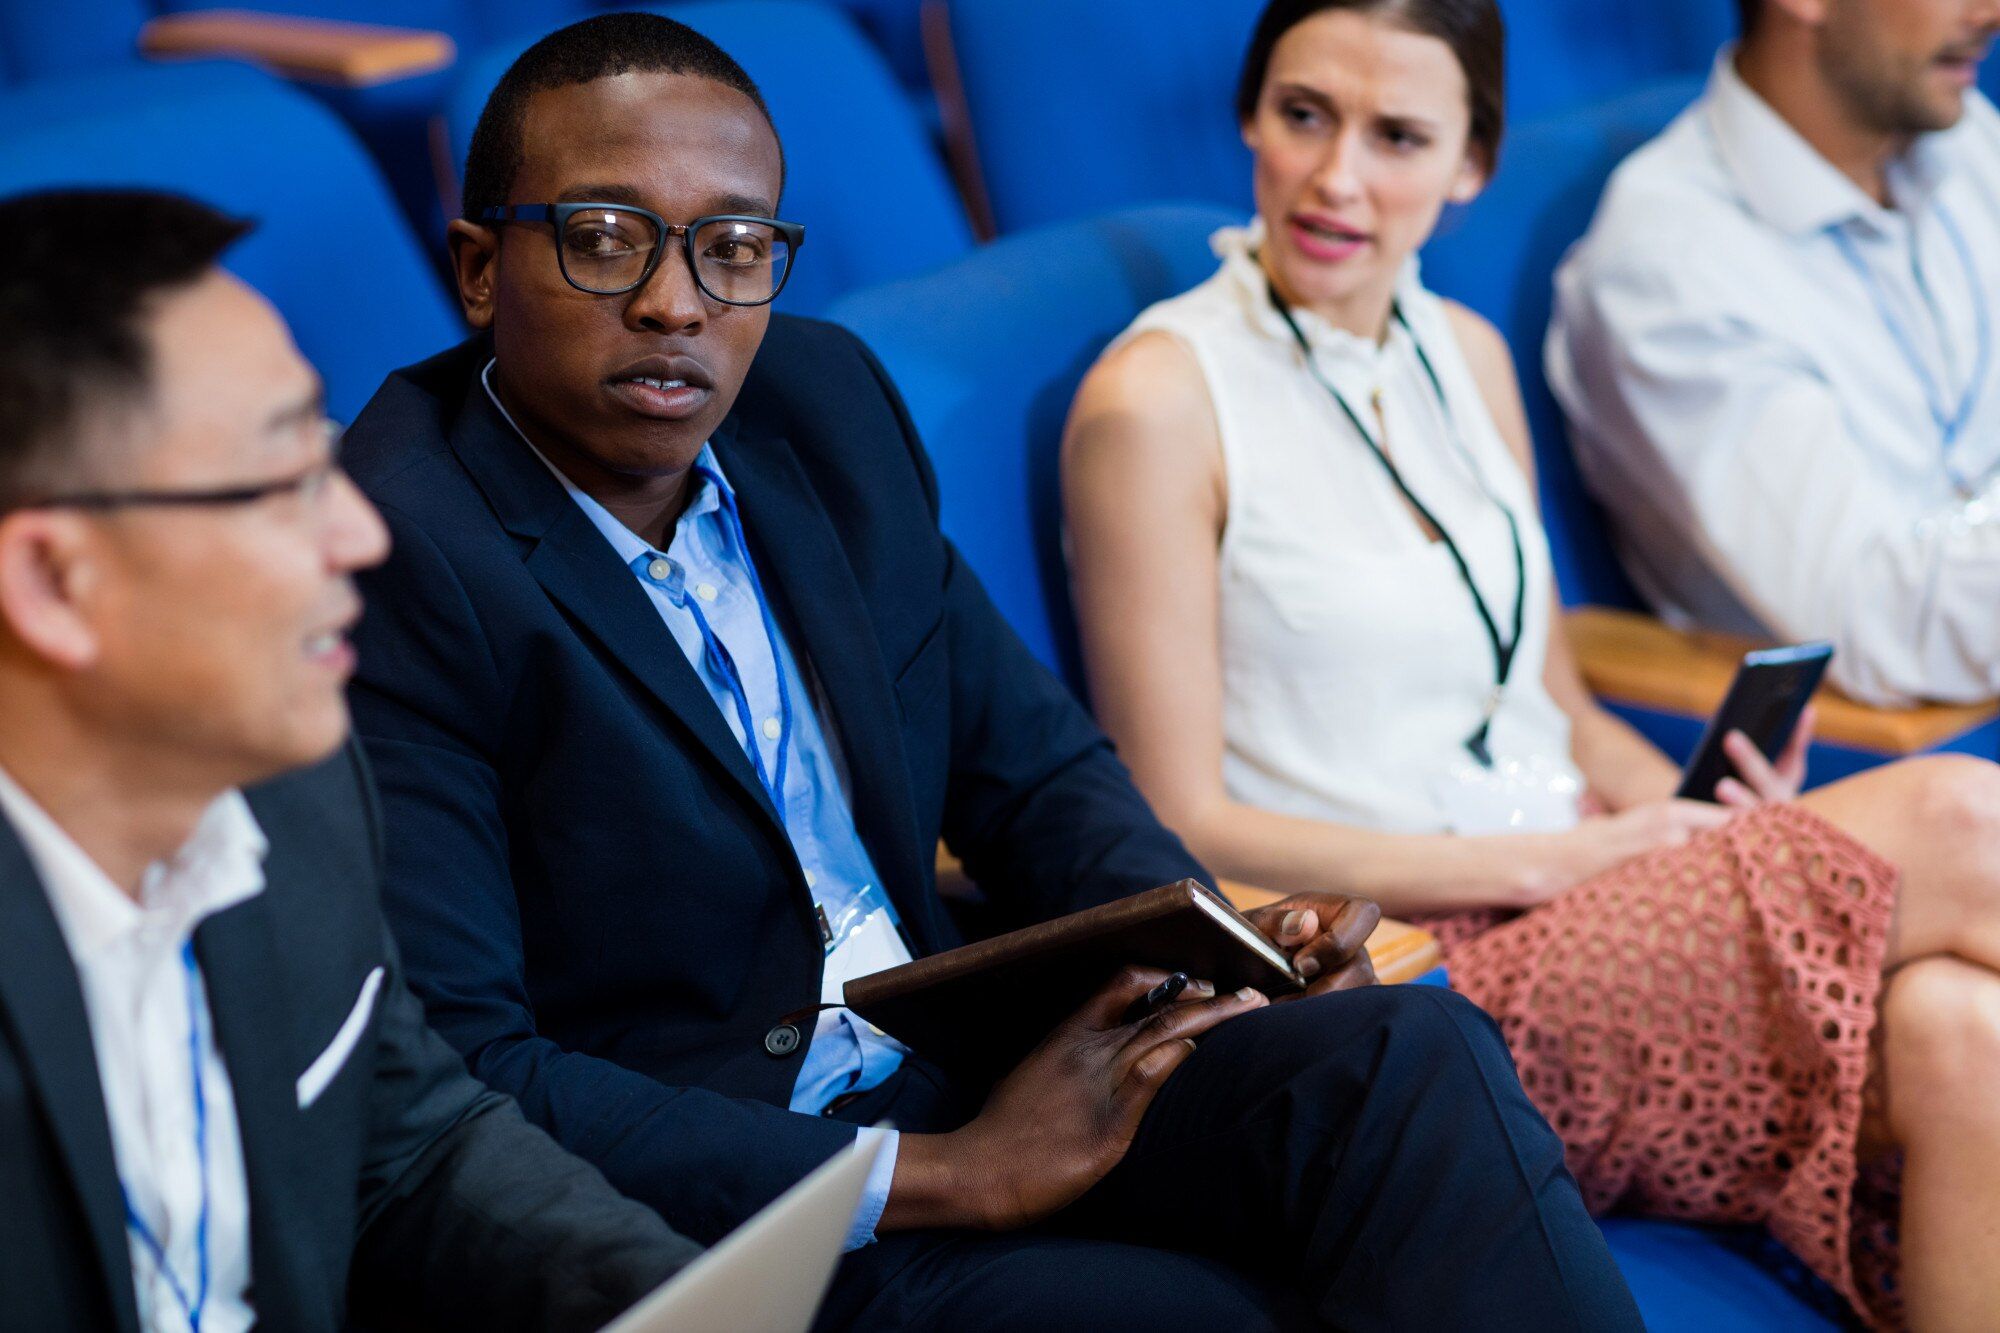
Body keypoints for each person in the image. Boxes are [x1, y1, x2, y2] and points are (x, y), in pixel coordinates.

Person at [340, 12, 1643, 1331]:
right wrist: (944, 1173)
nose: (676, 302)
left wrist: (1218, 957)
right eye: (606, 237)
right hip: (731, 1205)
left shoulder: (817, 408)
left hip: (969, 1064)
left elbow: (1040, 777)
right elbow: (470, 1072)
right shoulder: (395, 553)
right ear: (480, 268)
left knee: (1407, 1056)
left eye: (732, 247)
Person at [1061, 0, 2000, 1327]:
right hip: (1409, 974)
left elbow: (1551, 703)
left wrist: (1705, 815)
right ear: (1250, 120)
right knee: (1962, 815)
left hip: (1581, 888)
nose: (1337, 179)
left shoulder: (1468, 355)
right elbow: (1180, 824)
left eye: (1397, 138)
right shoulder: (1156, 398)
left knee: (1964, 1033)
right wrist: (1549, 861)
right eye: (1304, 116)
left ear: (1470, 166)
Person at [0, 187, 702, 1331]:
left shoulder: (298, 795)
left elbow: (412, 1143)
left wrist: (687, 1303)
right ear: (51, 581)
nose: (363, 533)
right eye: (284, 484)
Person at [1547, 0, 2000, 707]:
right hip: (1877, 739)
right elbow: (1888, 619)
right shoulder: (1668, 269)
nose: (1989, 11)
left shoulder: (1963, 140)